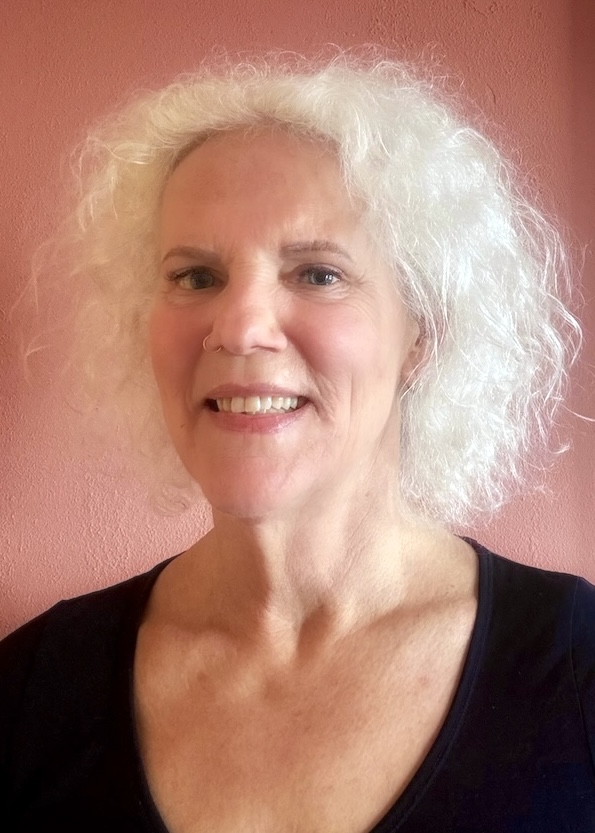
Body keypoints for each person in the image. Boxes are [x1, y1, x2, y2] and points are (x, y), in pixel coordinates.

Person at [1, 54, 594, 833]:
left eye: (317, 273)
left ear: (421, 332)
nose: (240, 326)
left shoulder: (576, 667)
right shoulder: (30, 689)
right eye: (196, 276)